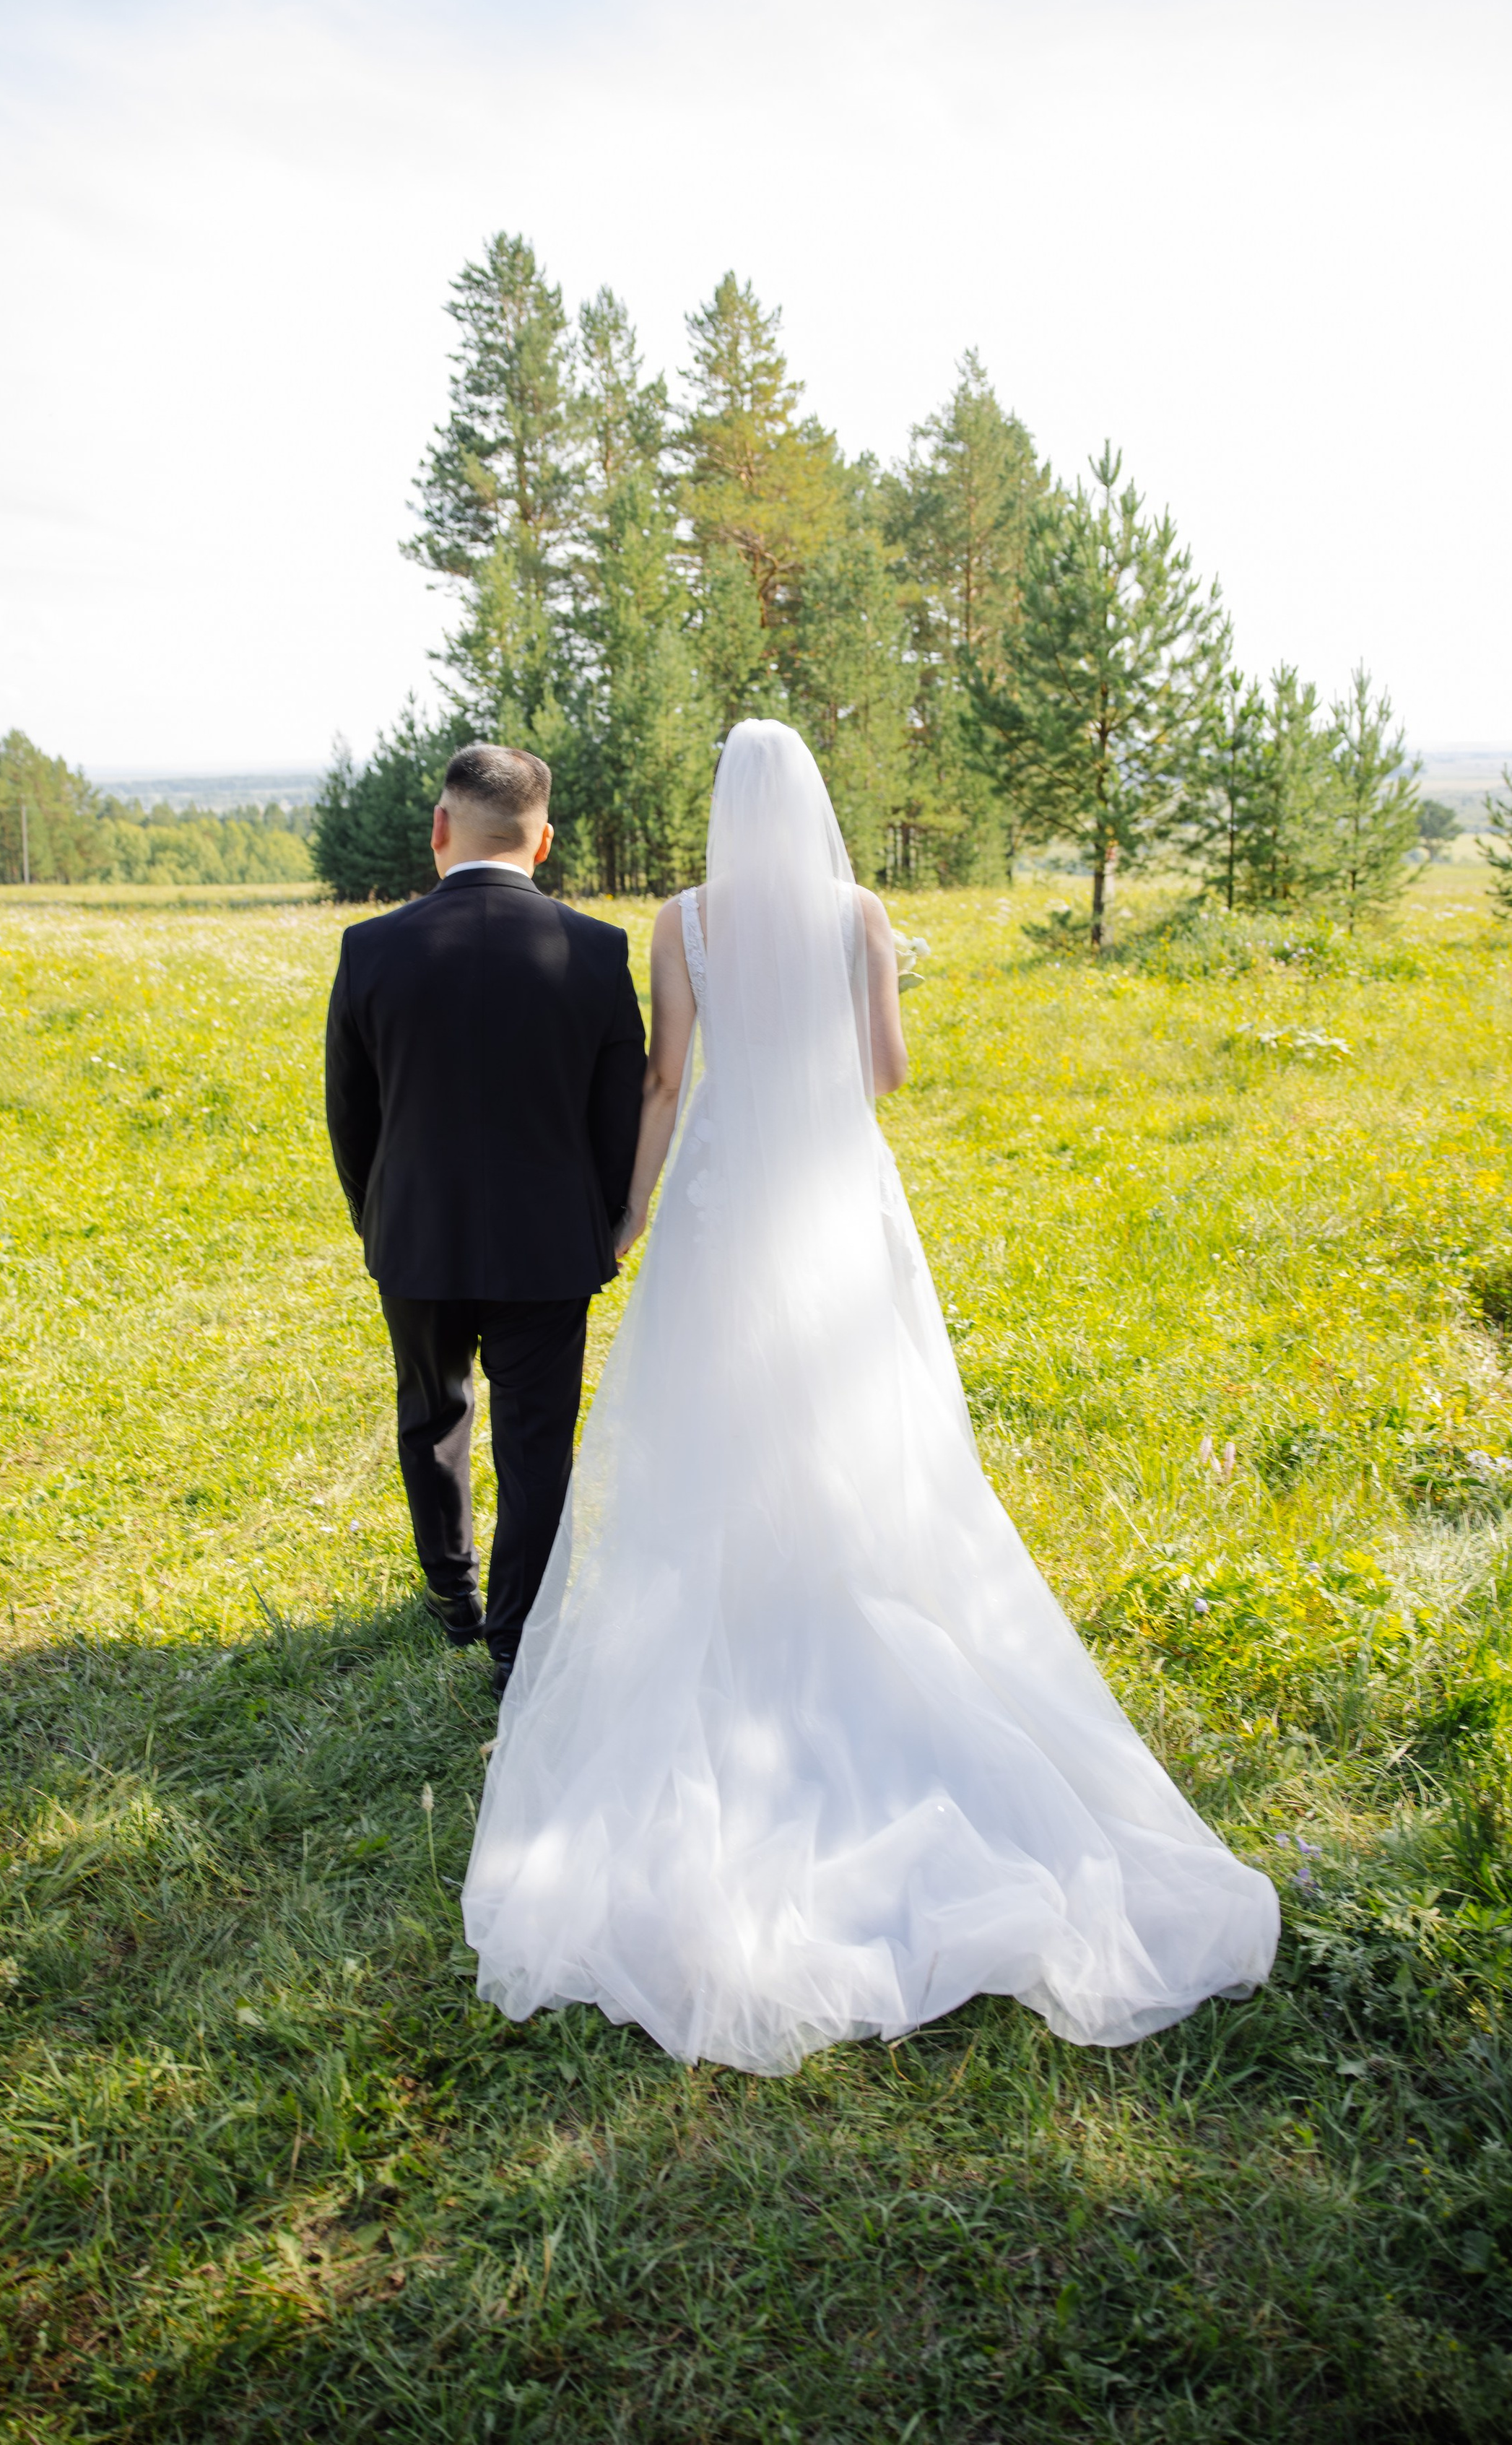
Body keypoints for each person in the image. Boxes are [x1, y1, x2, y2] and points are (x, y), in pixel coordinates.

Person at [463, 719, 1279, 2072]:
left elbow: (665, 1080)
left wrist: (632, 1211)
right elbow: (888, 1072)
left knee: (716, 1409)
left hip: (729, 1180)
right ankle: (842, 1564)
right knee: (854, 1399)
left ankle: (748, 1584)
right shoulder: (860, 910)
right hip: (835, 1185)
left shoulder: (683, 922)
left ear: (726, 813)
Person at [323, 742, 645, 1696]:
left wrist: (375, 1213)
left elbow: (352, 1112)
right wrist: (599, 1221)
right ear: (543, 843)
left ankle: (452, 1595)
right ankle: (518, 1638)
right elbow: (616, 1113)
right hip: (551, 1240)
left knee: (431, 1413)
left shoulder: (372, 947)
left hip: (416, 1229)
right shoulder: (595, 951)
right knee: (539, 1438)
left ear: (439, 831)